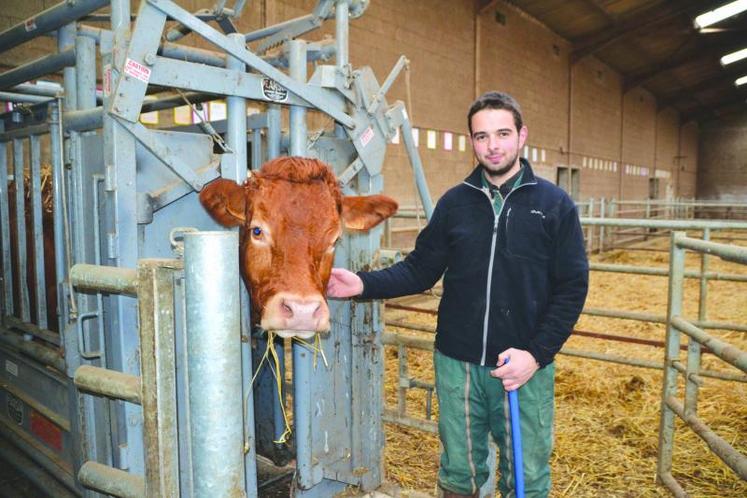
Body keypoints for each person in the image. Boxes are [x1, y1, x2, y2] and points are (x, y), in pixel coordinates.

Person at [327, 92, 589, 498]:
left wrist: (536, 355)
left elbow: (573, 287)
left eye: (503, 133)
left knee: (527, 476)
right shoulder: (455, 203)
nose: (493, 145)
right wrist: (363, 284)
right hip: (457, 364)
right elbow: (419, 269)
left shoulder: (554, 205)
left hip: (523, 368)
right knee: (458, 471)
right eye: (482, 136)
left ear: (522, 136)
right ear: (472, 141)